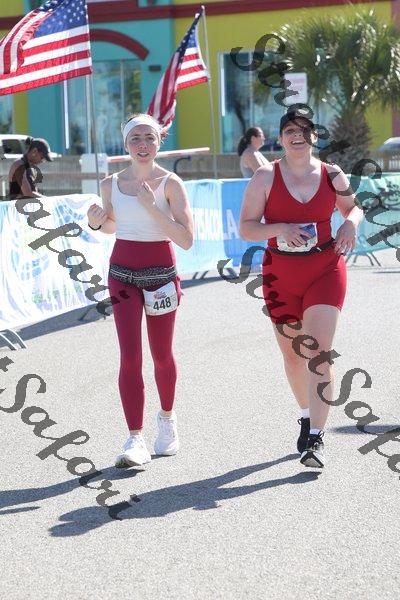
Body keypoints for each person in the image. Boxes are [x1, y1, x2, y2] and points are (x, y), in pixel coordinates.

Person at [239, 107, 364, 468]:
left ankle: (316, 440)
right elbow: (246, 228)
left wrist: (350, 223)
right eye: (290, 130)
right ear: (281, 138)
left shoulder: (332, 174)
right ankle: (308, 416)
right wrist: (280, 228)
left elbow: (354, 208)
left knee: (319, 353)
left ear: (314, 136)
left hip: (325, 268)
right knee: (294, 357)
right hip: (280, 274)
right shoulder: (265, 176)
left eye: (304, 130)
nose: (297, 135)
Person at [87, 113, 194, 468]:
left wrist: (152, 207)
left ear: (160, 142)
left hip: (161, 274)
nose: (143, 145)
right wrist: (96, 222)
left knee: (161, 354)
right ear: (126, 144)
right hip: (121, 274)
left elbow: (186, 239)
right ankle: (135, 438)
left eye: (149, 137)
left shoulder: (171, 183)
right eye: (136, 138)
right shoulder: (110, 183)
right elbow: (113, 225)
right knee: (130, 356)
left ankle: (167, 419)